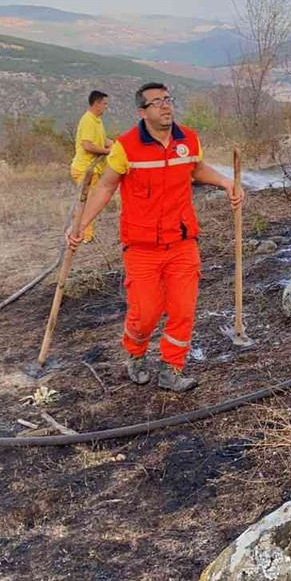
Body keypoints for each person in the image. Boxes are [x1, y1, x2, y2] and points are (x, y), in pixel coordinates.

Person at [66, 82, 242, 391]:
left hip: (183, 242)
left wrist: (226, 182)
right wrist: (80, 224)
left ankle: (171, 369)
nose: (165, 106)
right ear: (142, 112)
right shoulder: (126, 146)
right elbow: (106, 186)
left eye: (168, 99)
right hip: (142, 247)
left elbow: (196, 169)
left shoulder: (188, 139)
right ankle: (135, 355)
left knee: (182, 310)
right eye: (156, 102)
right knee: (145, 314)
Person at [69, 90, 113, 243]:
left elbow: (101, 139)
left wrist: (114, 145)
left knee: (90, 201)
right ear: (97, 103)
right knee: (87, 204)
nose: (106, 107)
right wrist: (107, 151)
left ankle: (85, 233)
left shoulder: (97, 120)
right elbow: (87, 145)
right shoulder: (88, 120)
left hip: (93, 170)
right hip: (85, 169)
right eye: (105, 104)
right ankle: (84, 236)